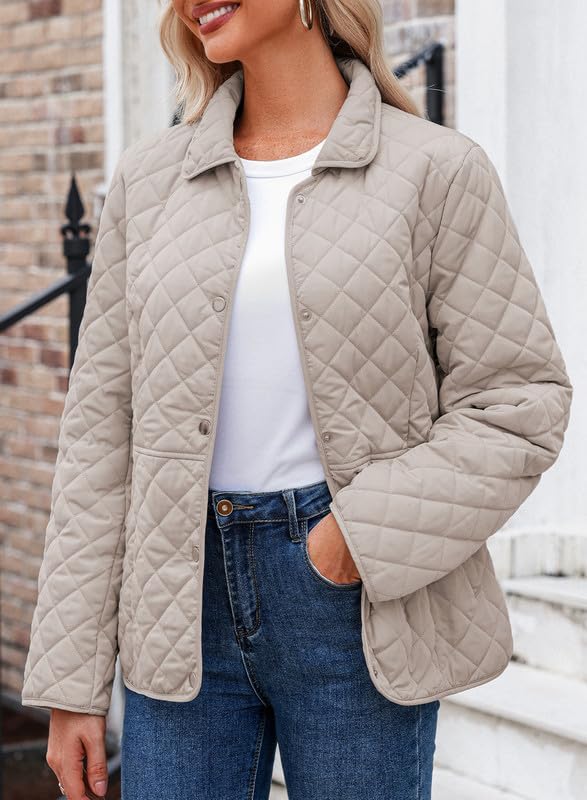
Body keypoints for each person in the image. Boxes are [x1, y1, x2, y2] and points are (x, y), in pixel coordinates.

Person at [21, 1, 573, 798]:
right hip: (175, 604)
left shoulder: (435, 170)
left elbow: (518, 401)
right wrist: (71, 679)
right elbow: (99, 436)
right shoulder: (149, 182)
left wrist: (354, 537)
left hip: (352, 606)